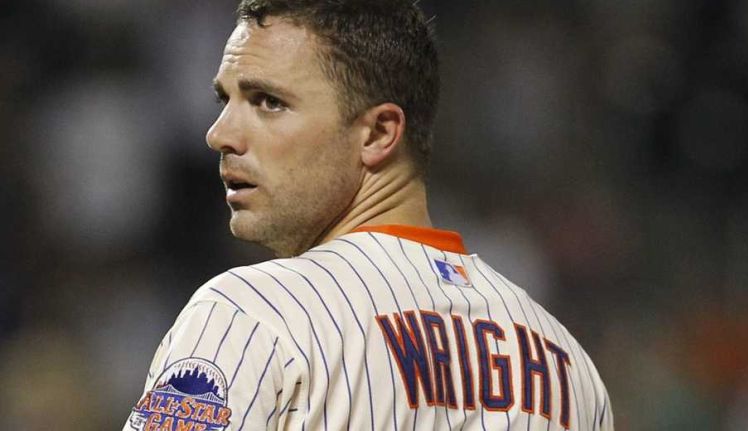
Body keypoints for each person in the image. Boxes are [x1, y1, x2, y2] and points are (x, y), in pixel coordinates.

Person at [124, 1, 614, 430]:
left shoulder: (252, 312)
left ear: (380, 133)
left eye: (269, 102)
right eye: (225, 100)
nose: (219, 133)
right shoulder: (569, 367)